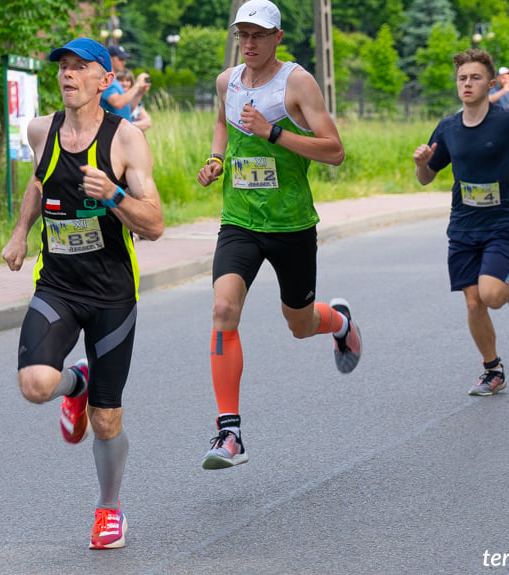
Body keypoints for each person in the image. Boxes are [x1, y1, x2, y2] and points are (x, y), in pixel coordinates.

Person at [1, 37, 164, 549]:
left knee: (107, 417)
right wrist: (20, 233)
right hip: (58, 285)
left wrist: (113, 195)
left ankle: (109, 508)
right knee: (34, 384)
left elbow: (155, 223)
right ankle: (77, 383)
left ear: (104, 80)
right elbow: (37, 180)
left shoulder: (126, 141)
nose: (67, 75)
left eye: (80, 68)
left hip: (113, 293)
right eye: (63, 68)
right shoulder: (40, 130)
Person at [195, 0, 360, 470]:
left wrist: (273, 134)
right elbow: (222, 132)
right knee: (224, 308)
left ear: (277, 38)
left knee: (299, 324)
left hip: (290, 224)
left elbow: (334, 152)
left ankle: (340, 323)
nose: (249, 43)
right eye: (242, 35)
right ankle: (230, 434)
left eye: (259, 35)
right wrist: (215, 162)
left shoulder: (298, 82)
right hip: (240, 220)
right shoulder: (227, 81)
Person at [413, 49, 509, 396]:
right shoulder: (448, 127)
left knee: (493, 296)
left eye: (475, 77)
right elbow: (426, 177)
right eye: (462, 78)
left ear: (491, 83)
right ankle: (493, 370)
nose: (468, 83)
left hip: (500, 222)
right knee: (473, 303)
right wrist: (422, 162)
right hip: (463, 225)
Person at [100, 44, 150, 122]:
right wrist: (137, 85)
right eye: (120, 59)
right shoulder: (106, 80)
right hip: (112, 131)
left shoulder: (115, 81)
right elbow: (117, 103)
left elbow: (126, 109)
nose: (124, 63)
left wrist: (139, 93)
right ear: (110, 59)